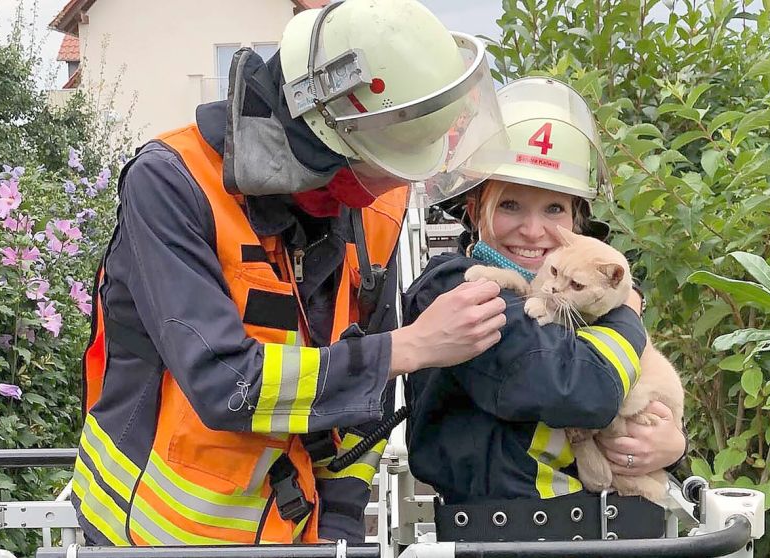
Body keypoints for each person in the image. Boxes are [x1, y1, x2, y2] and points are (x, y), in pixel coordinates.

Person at [71, 0, 511, 547]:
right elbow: (225, 385)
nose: (386, 190)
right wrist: (410, 348)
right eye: (378, 172)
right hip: (152, 536)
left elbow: (363, 403)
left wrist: (340, 526)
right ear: (321, 146)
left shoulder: (377, 209)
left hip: (295, 535)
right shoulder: (170, 184)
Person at [403, 77, 687, 539]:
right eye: (511, 204)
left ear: (576, 221)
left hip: (616, 534)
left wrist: (671, 445)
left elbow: (639, 396)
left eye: (554, 209)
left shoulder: (583, 298)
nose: (533, 231)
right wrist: (628, 316)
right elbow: (577, 388)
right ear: (475, 210)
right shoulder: (452, 289)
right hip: (505, 539)